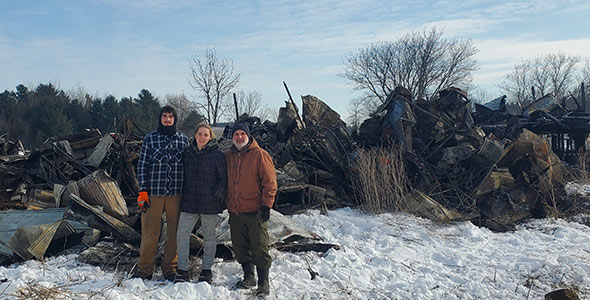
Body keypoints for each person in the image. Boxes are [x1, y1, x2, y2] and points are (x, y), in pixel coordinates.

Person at [134, 105, 189, 281]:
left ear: (175, 119)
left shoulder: (183, 140)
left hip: (176, 194)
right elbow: (142, 165)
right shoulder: (150, 139)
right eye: (164, 116)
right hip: (153, 194)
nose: (167, 119)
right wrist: (142, 190)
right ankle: (144, 269)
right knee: (150, 232)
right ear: (160, 119)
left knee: (174, 232)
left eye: (170, 117)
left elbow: (188, 167)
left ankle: (170, 268)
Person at [225, 123, 277, 297]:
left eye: (242, 134)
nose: (239, 137)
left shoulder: (260, 155)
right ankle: (249, 277)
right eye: (236, 134)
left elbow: (270, 183)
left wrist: (266, 205)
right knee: (240, 247)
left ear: (248, 135)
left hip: (255, 211)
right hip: (235, 211)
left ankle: (263, 282)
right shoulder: (227, 156)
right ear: (232, 137)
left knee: (259, 247)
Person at [176, 123, 227, 283]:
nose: (202, 137)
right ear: (195, 135)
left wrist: (216, 194)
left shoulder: (217, 154)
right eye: (200, 134)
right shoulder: (187, 152)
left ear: (211, 137)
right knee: (181, 235)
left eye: (206, 134)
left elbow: (224, 179)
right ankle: (182, 269)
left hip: (209, 202)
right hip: (189, 201)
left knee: (210, 237)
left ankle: (206, 270)